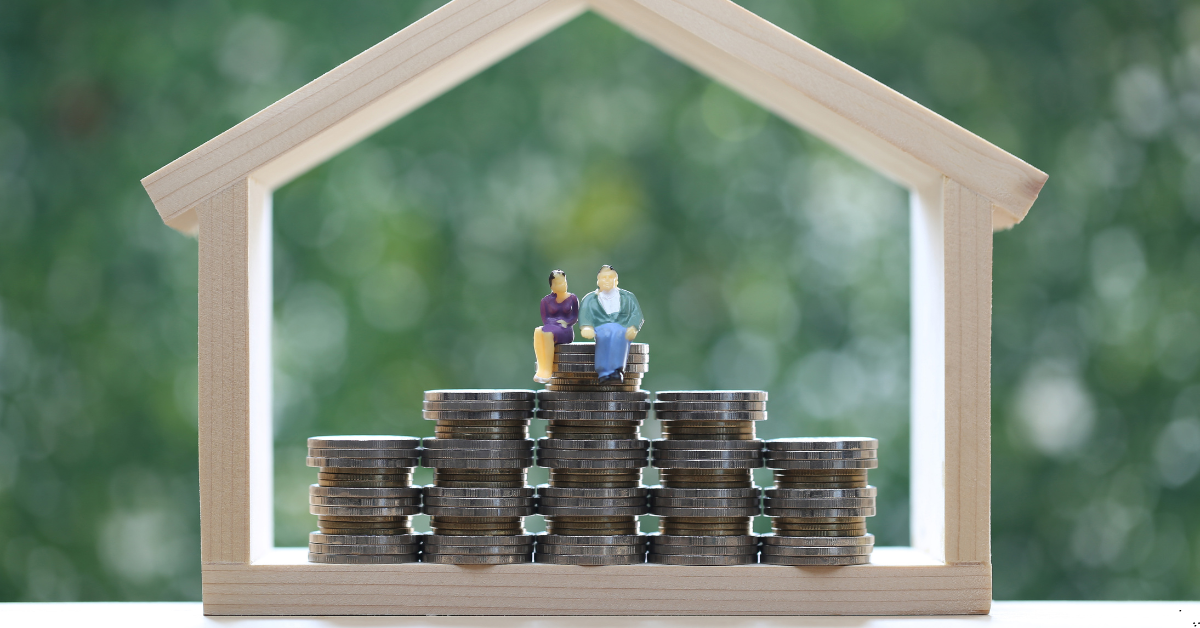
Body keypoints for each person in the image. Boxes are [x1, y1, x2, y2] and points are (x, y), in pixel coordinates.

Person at [578, 265, 643, 383]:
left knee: (620, 334)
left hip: (621, 326)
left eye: (610, 277)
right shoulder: (590, 299)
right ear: (598, 281)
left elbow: (636, 314)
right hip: (601, 326)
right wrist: (586, 326)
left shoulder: (627, 297)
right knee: (605, 334)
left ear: (616, 281)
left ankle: (617, 370)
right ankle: (603, 372)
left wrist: (633, 327)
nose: (606, 280)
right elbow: (584, 314)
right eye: (603, 278)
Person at [533, 269, 579, 383]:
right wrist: (554, 322)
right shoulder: (546, 301)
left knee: (547, 333)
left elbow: (575, 317)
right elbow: (545, 319)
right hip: (551, 326)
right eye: (558, 283)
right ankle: (541, 368)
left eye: (564, 282)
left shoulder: (572, 298)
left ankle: (548, 370)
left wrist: (566, 322)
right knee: (538, 331)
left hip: (565, 330)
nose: (562, 285)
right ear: (551, 286)